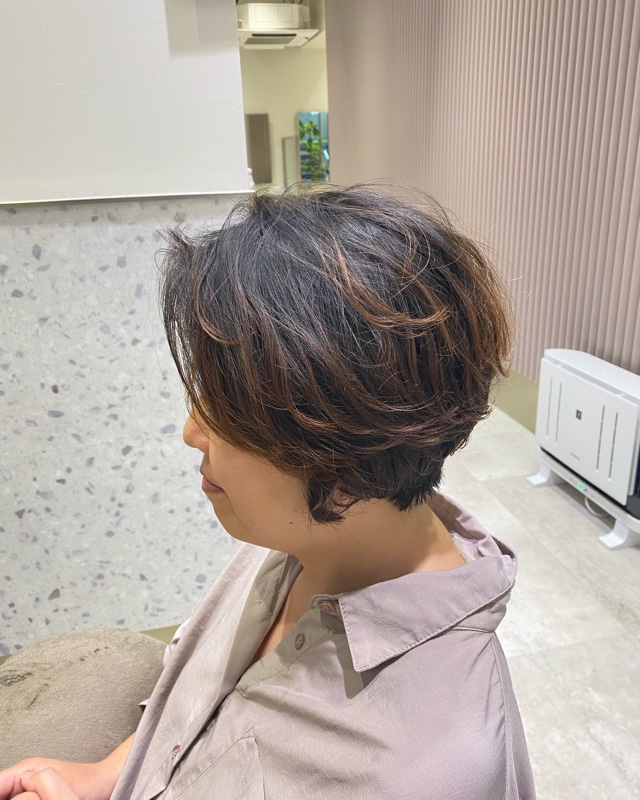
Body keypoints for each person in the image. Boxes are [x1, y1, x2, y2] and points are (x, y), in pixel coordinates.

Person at [0, 185, 536, 799]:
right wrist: (102, 775)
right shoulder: (301, 535)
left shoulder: (429, 771)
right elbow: (197, 708)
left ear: (345, 459)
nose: (191, 431)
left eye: (227, 412)